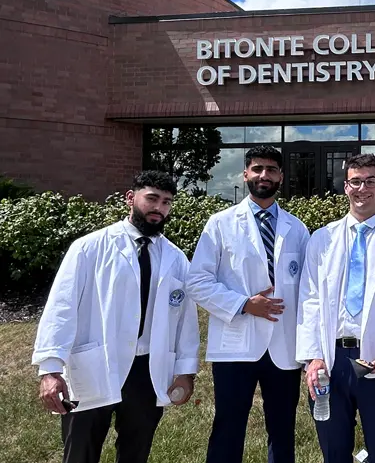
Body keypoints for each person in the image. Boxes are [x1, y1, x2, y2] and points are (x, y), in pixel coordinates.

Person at [33, 170, 200, 463]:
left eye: (166, 202)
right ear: (130, 198)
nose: (158, 208)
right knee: (80, 450)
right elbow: (61, 308)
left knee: (136, 452)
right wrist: (50, 368)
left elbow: (186, 319)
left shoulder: (176, 259)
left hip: (146, 372)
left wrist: (185, 371)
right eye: (152, 199)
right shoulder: (89, 247)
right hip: (94, 364)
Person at [296, 153, 375, 463]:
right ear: (345, 187)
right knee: (334, 450)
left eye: (370, 181)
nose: (362, 188)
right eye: (356, 181)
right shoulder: (322, 239)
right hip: (332, 361)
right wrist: (313, 357)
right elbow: (309, 300)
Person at [186, 145, 310, 463]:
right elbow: (197, 282)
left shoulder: (297, 230)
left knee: (283, 431)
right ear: (245, 174)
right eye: (257, 169)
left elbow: (310, 292)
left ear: (281, 176)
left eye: (271, 169)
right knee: (228, 427)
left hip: (283, 346)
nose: (263, 175)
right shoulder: (220, 224)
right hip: (236, 345)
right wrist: (243, 304)